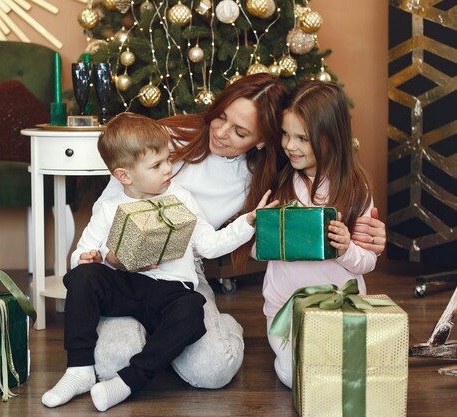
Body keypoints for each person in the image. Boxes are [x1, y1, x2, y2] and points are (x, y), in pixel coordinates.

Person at [92, 74, 387, 389]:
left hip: (182, 275)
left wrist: (359, 244)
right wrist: (110, 258)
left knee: (213, 372)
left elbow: (316, 141)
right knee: (114, 367)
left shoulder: (263, 178)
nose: (220, 132)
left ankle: (210, 328)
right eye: (221, 116)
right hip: (124, 272)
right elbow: (104, 217)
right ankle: (156, 337)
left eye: (240, 131)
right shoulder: (161, 140)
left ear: (261, 141)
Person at [41, 112, 277, 411]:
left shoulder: (182, 198)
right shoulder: (110, 207)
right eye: (157, 165)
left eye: (168, 159)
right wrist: (89, 257)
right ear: (124, 175)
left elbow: (208, 245)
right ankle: (79, 369)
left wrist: (248, 223)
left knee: (192, 309)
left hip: (169, 291)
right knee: (81, 277)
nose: (169, 168)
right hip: (127, 287)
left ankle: (129, 380)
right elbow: (82, 252)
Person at [261, 81, 378, 388]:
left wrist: (346, 248)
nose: (290, 145)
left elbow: (367, 263)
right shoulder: (280, 182)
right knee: (296, 376)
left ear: (331, 137)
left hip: (340, 307)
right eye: (286, 134)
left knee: (349, 373)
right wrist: (262, 229)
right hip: (285, 309)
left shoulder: (355, 190)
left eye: (302, 137)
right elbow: (255, 250)